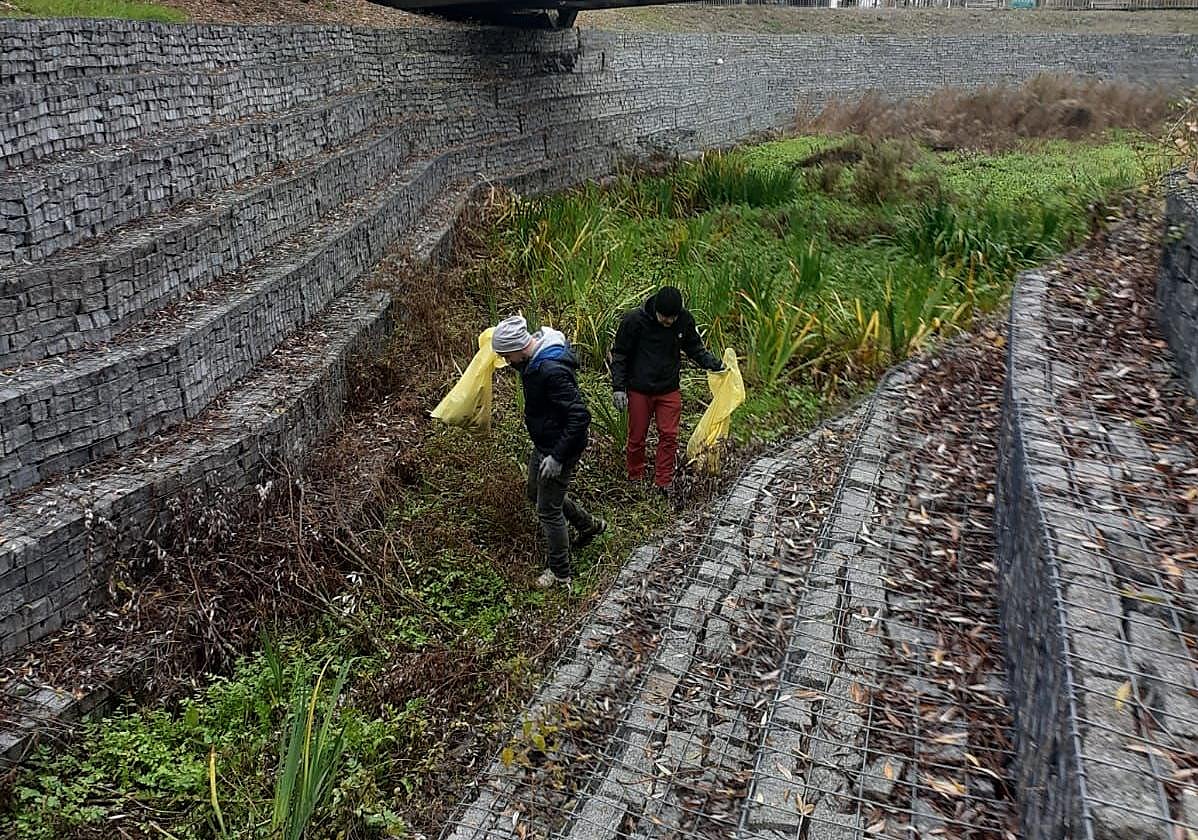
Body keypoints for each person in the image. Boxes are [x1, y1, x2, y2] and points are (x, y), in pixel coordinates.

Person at [492, 315, 606, 589]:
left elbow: (579, 416)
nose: (507, 362)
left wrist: (557, 457)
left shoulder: (550, 370)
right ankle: (588, 525)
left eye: (507, 356)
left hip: (560, 448)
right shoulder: (534, 360)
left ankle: (560, 573)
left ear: (519, 348)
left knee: (548, 510)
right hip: (545, 443)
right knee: (535, 492)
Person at [610, 286, 724, 492]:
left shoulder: (684, 321)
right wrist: (618, 387)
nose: (668, 322)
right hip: (639, 388)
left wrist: (715, 365)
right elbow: (620, 354)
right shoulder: (634, 321)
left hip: (668, 388)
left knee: (669, 436)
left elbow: (695, 348)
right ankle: (635, 476)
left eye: (673, 318)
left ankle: (664, 481)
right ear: (655, 310)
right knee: (636, 437)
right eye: (664, 317)